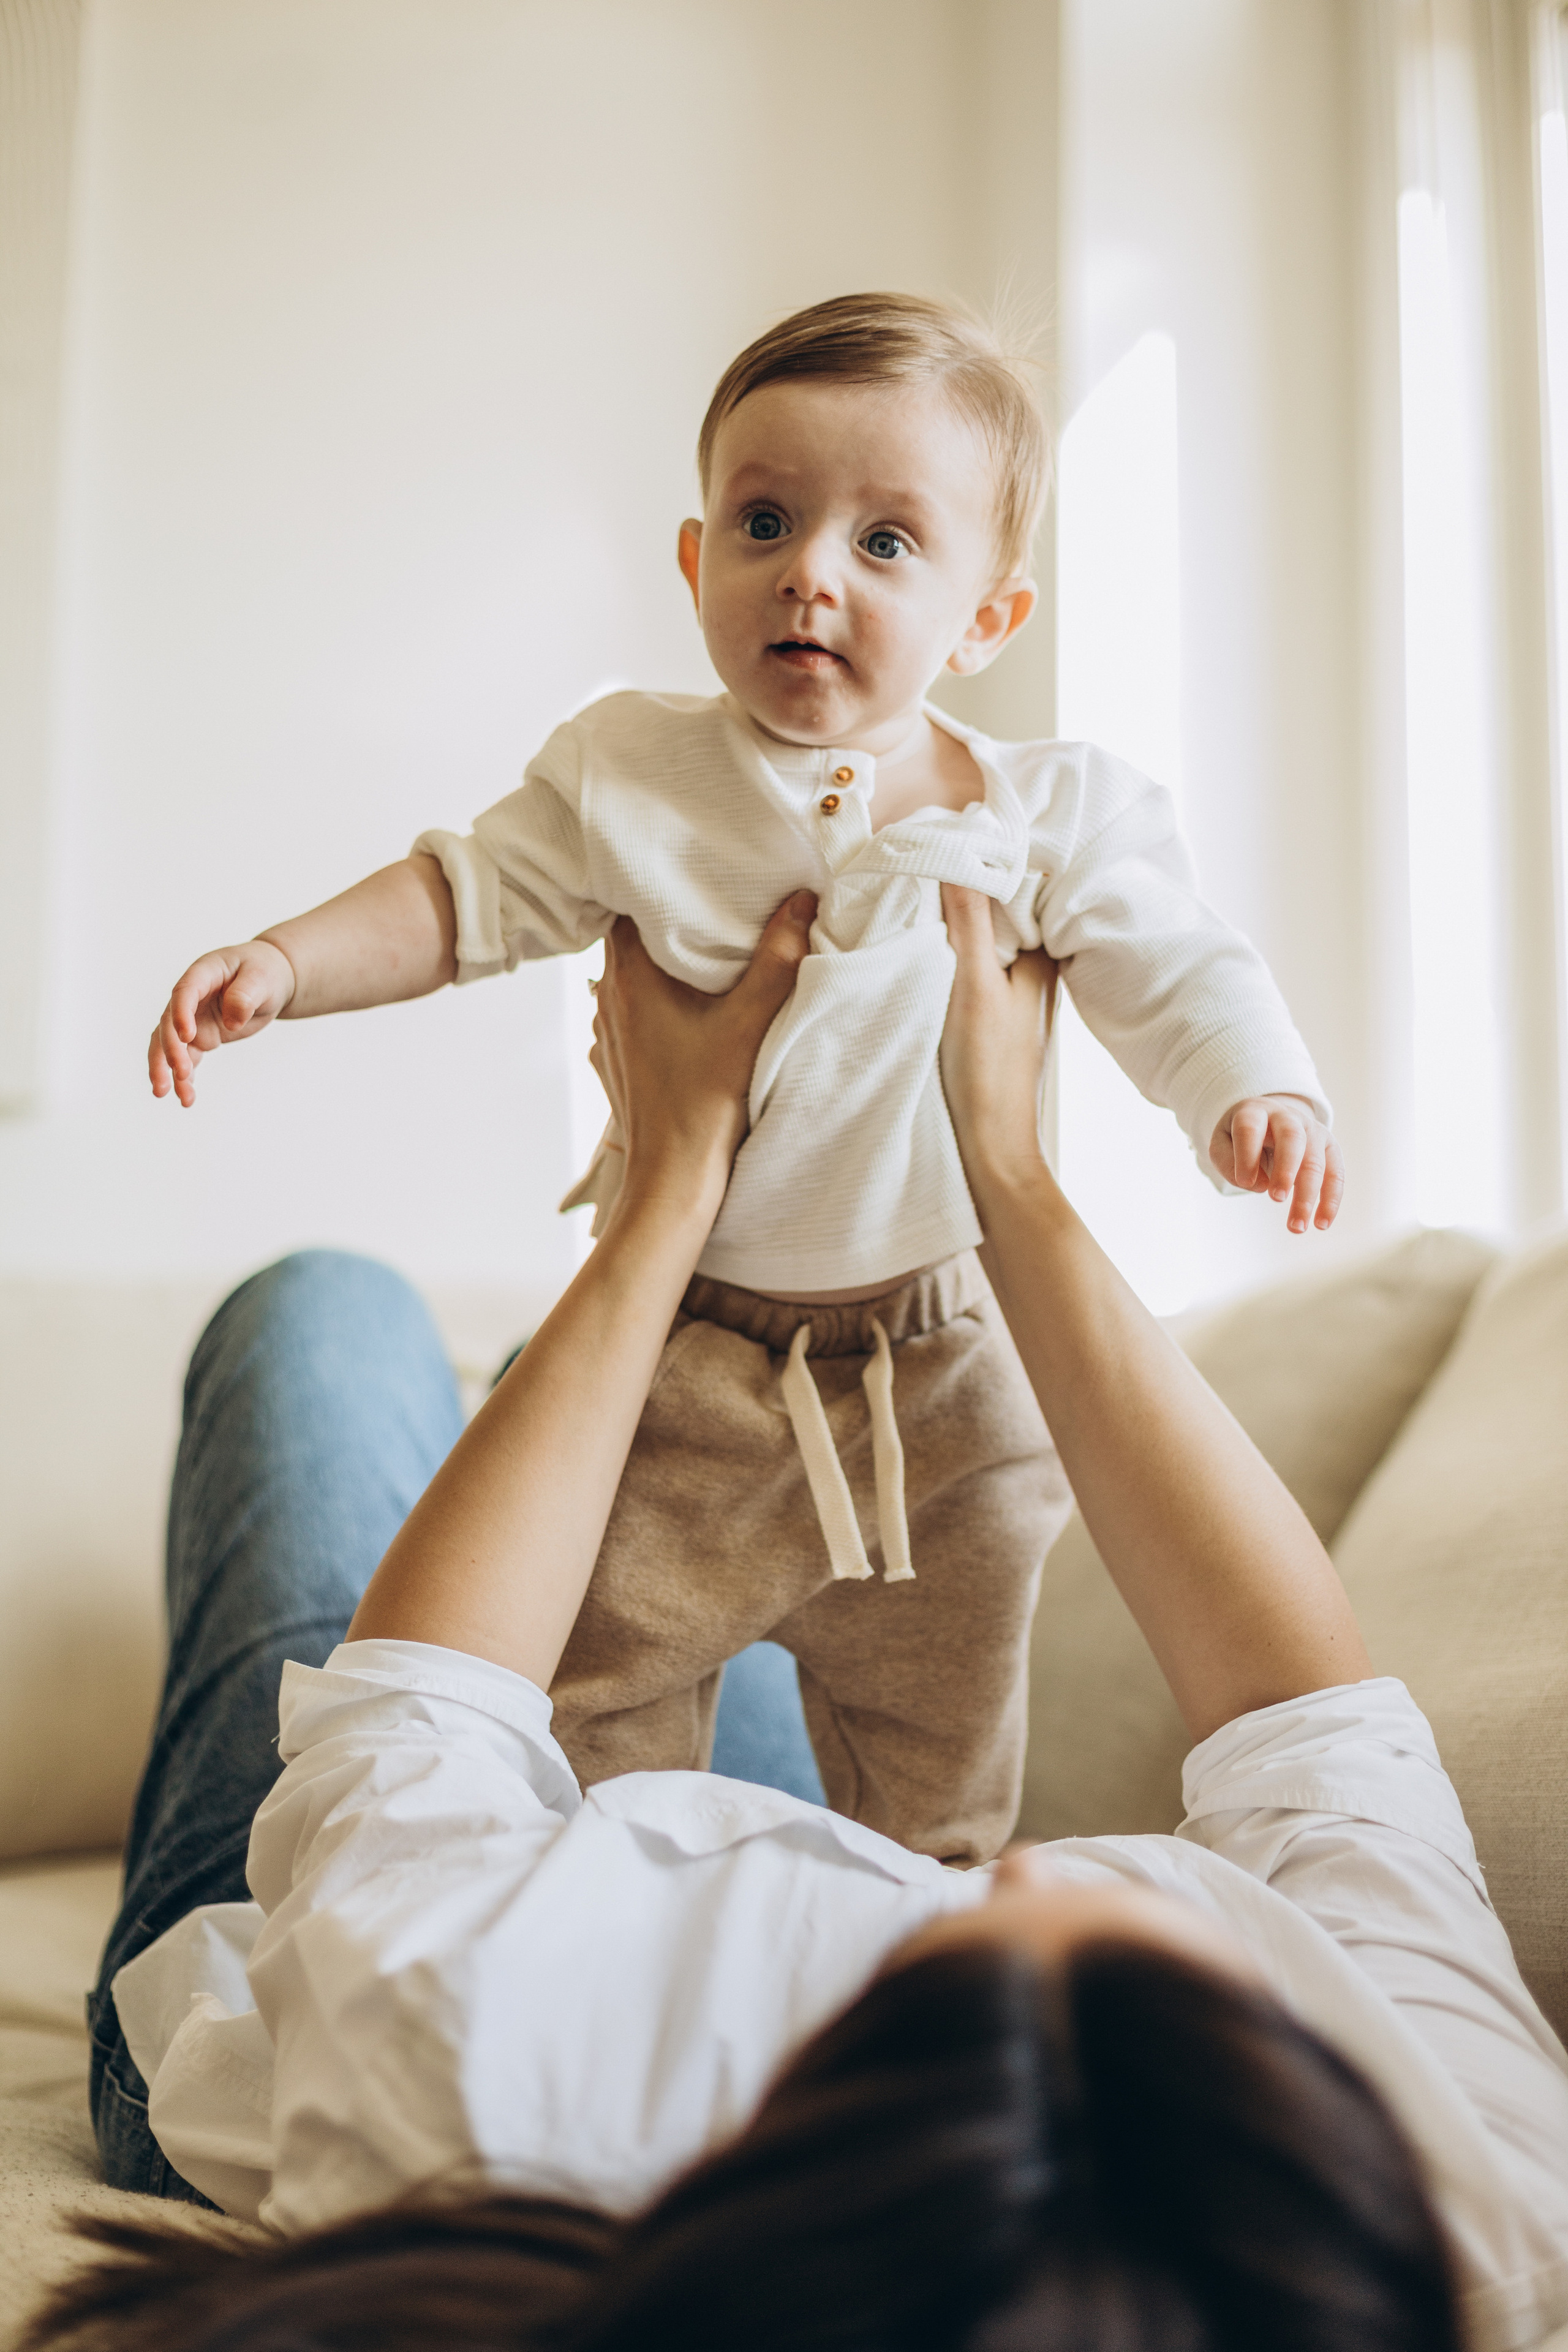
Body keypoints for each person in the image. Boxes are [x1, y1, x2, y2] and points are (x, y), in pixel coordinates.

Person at [48, 889, 1568, 2352]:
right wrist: (1009, 1176)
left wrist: (668, 1183)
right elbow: (1307, 1730)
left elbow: (417, 1711)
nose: (1016, 1861)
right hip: (639, 1916)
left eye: (969, 1943)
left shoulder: (470, 2061)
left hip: (302, 1983)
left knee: (325, 1314)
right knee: (653, 1456)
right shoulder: (1471, 2207)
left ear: (836, 2086)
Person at [141, 293, 1344, 1868]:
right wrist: (288, 963)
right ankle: (609, 1917)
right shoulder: (634, 771)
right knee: (602, 1715)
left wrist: (1252, 1095)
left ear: (988, 618)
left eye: (887, 542)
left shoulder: (1044, 817)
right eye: (766, 522)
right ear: (699, 562)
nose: (812, 573)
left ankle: (919, 1977)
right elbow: (461, 894)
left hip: (941, 1380)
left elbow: (1179, 966)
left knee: (940, 1768)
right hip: (692, 1366)